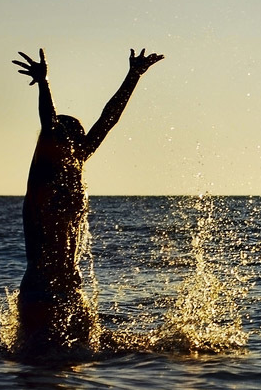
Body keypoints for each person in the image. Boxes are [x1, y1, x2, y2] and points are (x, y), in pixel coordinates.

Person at [12, 47, 164, 349]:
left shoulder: (76, 164)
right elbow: (50, 121)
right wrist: (43, 83)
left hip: (71, 289)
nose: (82, 142)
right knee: (40, 376)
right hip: (40, 291)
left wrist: (133, 76)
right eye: (73, 136)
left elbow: (108, 120)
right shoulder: (43, 174)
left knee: (86, 363)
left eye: (82, 137)